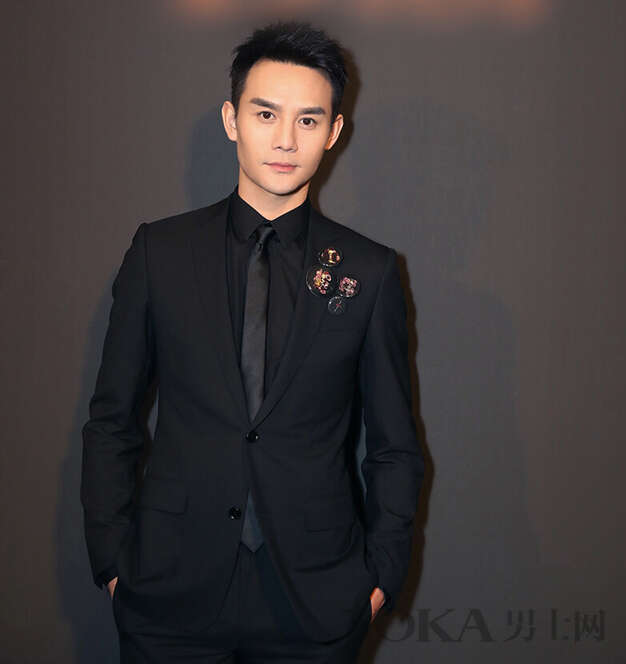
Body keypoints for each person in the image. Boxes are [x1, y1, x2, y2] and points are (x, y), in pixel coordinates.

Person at [81, 19, 424, 662]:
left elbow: (394, 445)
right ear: (232, 119)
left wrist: (379, 576)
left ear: (334, 131)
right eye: (266, 114)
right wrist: (113, 561)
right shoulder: (160, 252)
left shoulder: (369, 271)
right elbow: (111, 421)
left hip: (315, 598)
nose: (285, 139)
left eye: (308, 119)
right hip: (167, 591)